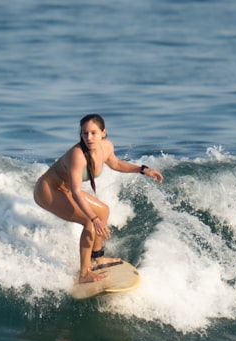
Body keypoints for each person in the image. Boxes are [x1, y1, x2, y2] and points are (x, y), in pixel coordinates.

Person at [33, 113, 164, 284]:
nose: (89, 137)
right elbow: (76, 191)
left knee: (104, 211)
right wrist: (93, 219)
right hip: (47, 189)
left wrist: (143, 169)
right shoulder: (77, 155)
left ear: (103, 132)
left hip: (64, 188)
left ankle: (96, 259)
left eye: (93, 133)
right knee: (89, 222)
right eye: (84, 133)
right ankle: (84, 273)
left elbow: (116, 164)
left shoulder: (106, 147)